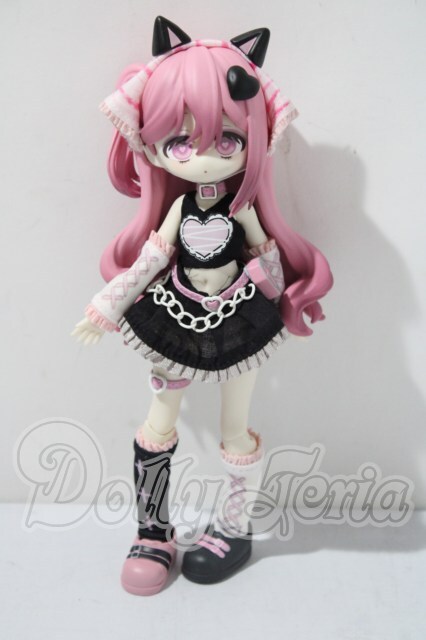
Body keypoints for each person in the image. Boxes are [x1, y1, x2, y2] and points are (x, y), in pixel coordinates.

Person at [72, 16, 333, 595]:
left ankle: (234, 529)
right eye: (180, 142)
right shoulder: (177, 209)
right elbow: (150, 259)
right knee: (158, 420)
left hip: (241, 323)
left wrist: (281, 297)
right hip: (175, 316)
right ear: (153, 146)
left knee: (235, 427)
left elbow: (268, 261)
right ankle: (153, 530)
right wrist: (108, 305)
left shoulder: (243, 211)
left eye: (229, 140)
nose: (205, 158)